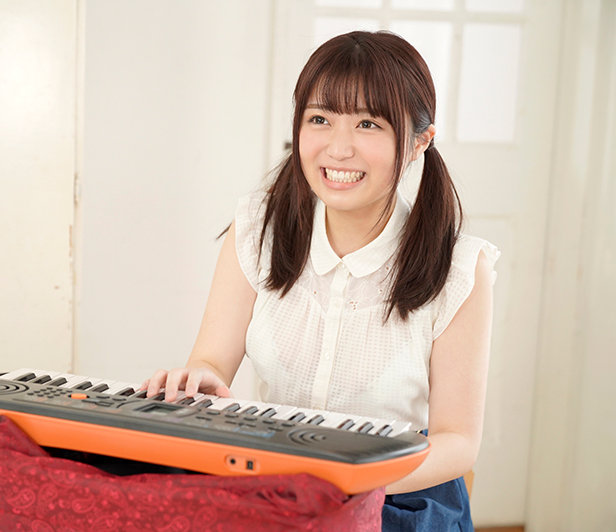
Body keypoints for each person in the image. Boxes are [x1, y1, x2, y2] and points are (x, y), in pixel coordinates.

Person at [144, 30, 498, 531]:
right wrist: (199, 380)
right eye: (320, 119)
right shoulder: (257, 230)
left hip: (397, 495)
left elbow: (457, 442)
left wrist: (343, 480)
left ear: (420, 141)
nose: (338, 148)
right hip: (276, 486)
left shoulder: (459, 267)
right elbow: (211, 362)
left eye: (369, 124)